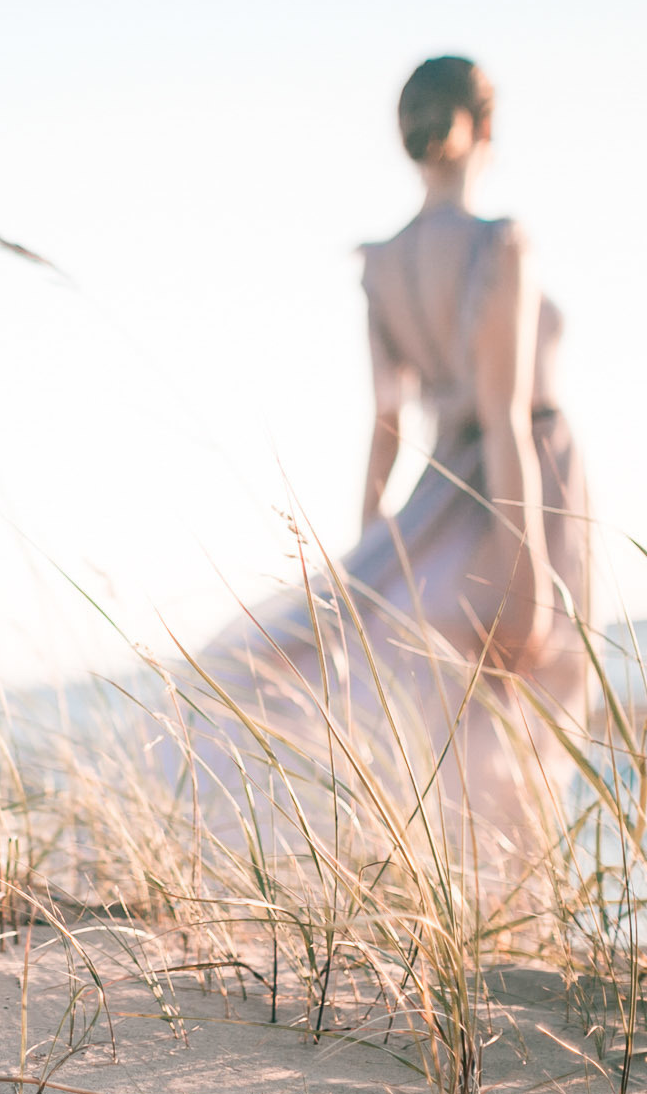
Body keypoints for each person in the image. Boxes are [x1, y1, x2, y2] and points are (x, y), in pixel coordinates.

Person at [187, 56, 591, 830]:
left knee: (460, 715)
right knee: (533, 706)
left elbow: (386, 424)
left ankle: (472, 903)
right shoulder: (501, 244)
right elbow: (505, 416)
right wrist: (527, 576)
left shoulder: (382, 264)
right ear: (486, 128)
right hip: (524, 489)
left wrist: (371, 553)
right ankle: (520, 913)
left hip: (439, 496)